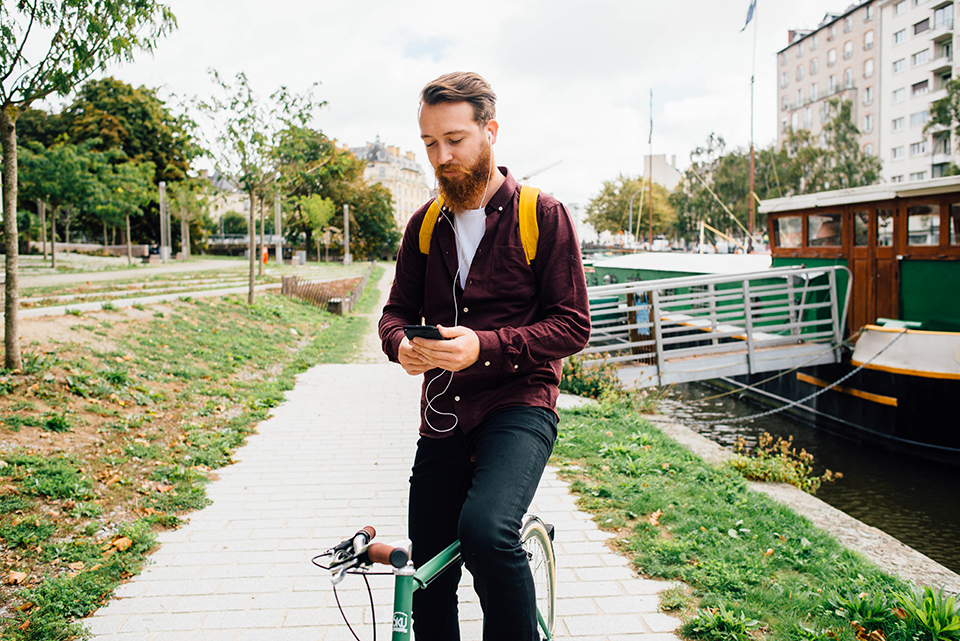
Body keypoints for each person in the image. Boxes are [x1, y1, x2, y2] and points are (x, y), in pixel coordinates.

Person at [378, 71, 591, 640]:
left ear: (489, 131)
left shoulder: (542, 214)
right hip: (443, 417)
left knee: (486, 530)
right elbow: (392, 314)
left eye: (454, 139)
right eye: (429, 143)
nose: (441, 156)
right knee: (425, 570)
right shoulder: (423, 225)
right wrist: (402, 345)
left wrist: (485, 348)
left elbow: (573, 325)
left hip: (519, 404)